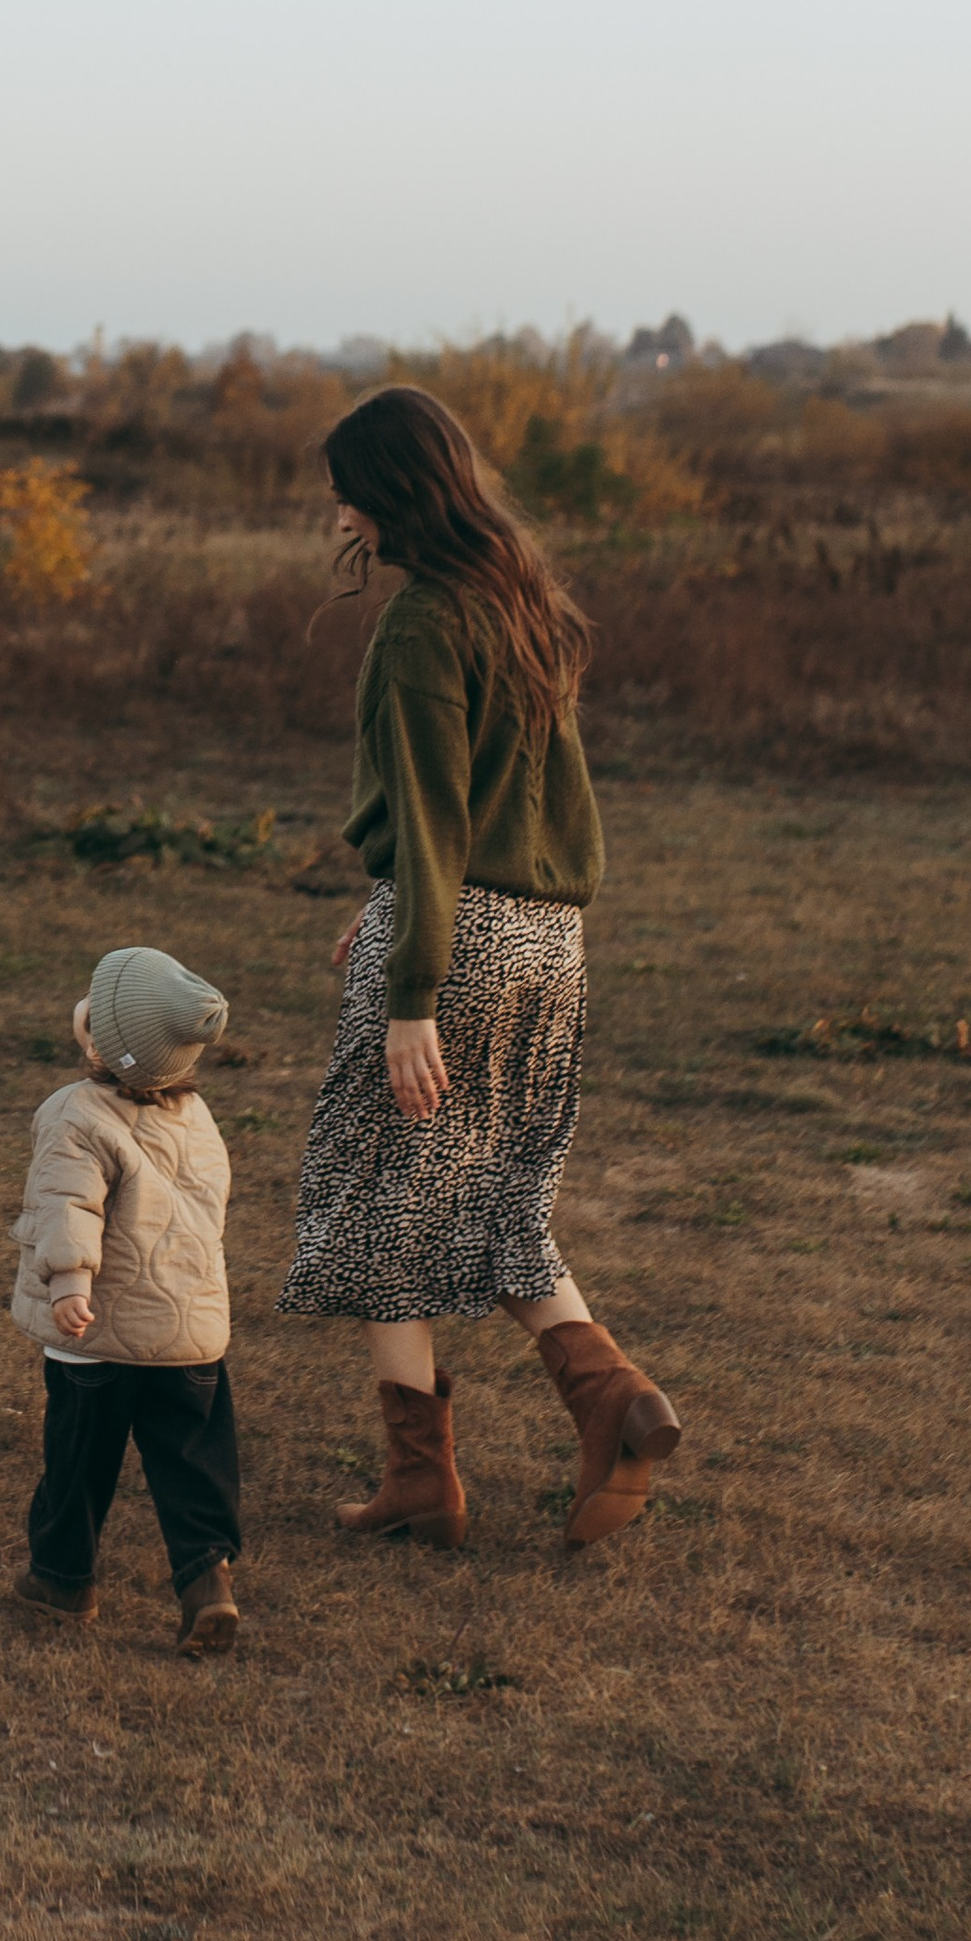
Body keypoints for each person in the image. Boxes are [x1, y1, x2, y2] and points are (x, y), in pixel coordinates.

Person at [281, 383, 680, 1548]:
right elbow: (508, 801)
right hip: (547, 940)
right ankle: (609, 1398)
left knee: (374, 1194)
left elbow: (437, 810)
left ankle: (428, 1473)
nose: (336, 509)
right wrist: (395, 895)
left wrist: (411, 990)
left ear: (389, 491)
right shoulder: (522, 597)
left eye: (346, 487)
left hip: (455, 952)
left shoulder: (418, 624)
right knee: (492, 1192)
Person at [8, 945, 244, 1657]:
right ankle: (207, 1580)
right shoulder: (196, 1118)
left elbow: (66, 1205)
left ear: (100, 1042)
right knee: (192, 1459)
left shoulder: (74, 1113)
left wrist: (71, 1283)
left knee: (79, 1458)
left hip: (98, 1335)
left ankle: (61, 1579)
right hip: (189, 1337)